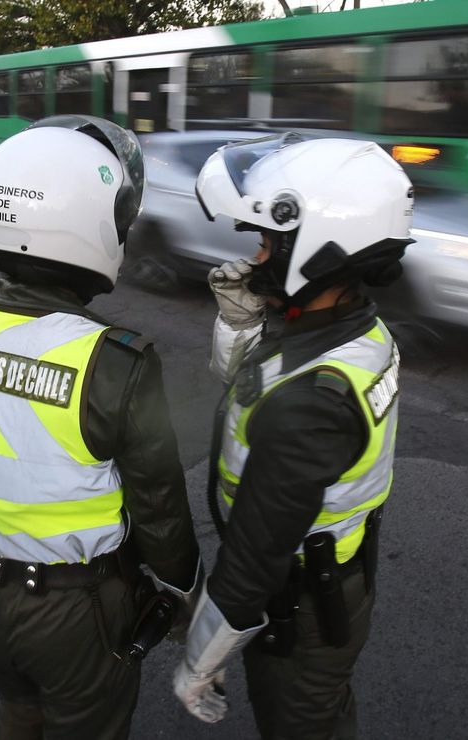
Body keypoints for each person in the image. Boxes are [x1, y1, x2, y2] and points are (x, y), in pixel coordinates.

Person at [0, 115, 201, 740]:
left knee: (18, 711)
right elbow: (159, 509)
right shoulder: (113, 363)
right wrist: (182, 595)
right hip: (78, 613)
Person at [172, 134, 413, 739]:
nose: (257, 255)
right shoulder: (349, 330)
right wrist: (239, 320)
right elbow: (249, 387)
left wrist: (202, 658)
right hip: (328, 577)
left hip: (300, 600)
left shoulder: (314, 399)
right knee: (325, 712)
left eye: (268, 241)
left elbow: (255, 553)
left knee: (302, 725)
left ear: (319, 245)